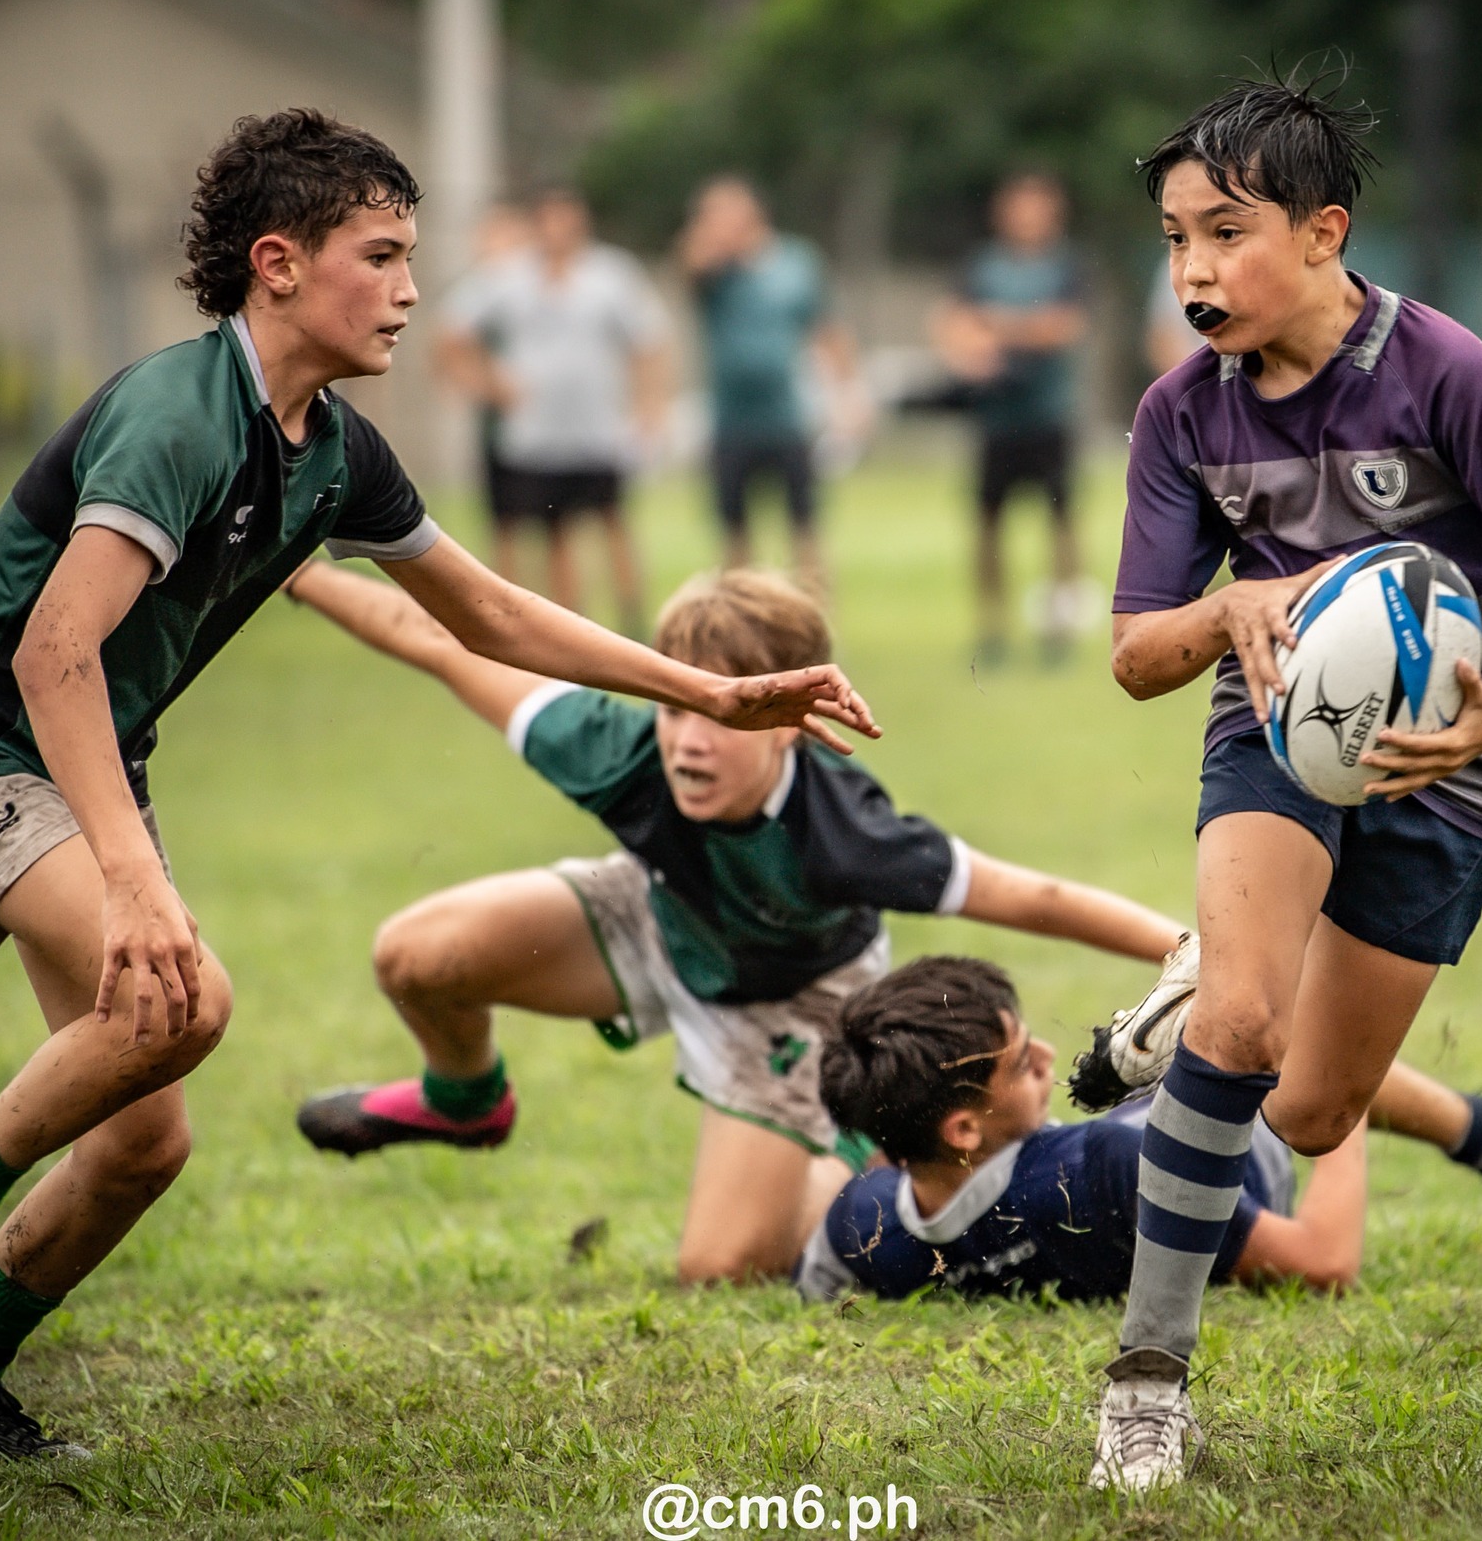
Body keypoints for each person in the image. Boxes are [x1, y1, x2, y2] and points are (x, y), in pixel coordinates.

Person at [0, 109, 877, 1463]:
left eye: (411, 257)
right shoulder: (174, 416)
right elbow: (52, 652)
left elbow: (493, 612)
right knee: (186, 997)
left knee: (142, 1142)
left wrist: (712, 690)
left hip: (89, 751)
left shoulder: (335, 445)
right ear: (277, 262)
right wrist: (136, 874)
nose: (409, 289)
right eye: (381, 256)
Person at [1090, 74, 1482, 1491]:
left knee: (1313, 1111)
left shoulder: (1447, 372)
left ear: (1324, 231)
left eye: (1228, 232)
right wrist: (1236, 610)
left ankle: (1206, 995)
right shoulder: (1180, 416)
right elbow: (1141, 652)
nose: (1196, 269)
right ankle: (1147, 1378)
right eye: (1173, 239)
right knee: (1249, 1021)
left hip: (1444, 763)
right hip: (1268, 731)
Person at [284, 561, 1187, 1283]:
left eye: (730, 710)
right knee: (416, 955)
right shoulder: (619, 748)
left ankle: (854, 1152)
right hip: (658, 912)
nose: (690, 738)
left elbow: (1036, 898)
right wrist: (291, 568)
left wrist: (1189, 953)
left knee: (718, 1267)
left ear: (796, 717)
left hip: (794, 1000)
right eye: (677, 702)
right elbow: (436, 638)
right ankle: (466, 1102)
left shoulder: (842, 832)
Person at [799, 955, 1482, 1305]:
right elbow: (1324, 1261)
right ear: (964, 1126)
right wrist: (1345, 1101)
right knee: (1283, 1035)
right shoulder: (1112, 1164)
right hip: (1226, 1154)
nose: (1042, 1053)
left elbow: (819, 1286)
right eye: (1021, 1062)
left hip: (1106, 1147)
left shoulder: (859, 1225)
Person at [441, 187, 668, 634]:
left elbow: (649, 341)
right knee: (554, 531)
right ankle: (569, 625)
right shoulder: (508, 277)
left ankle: (634, 619)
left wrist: (648, 406)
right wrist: (486, 385)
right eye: (549, 220)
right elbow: (451, 332)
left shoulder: (611, 275)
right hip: (535, 436)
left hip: (598, 431)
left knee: (613, 522)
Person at [930, 174, 1088, 664]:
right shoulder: (982, 266)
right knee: (987, 526)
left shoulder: (1067, 265)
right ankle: (993, 630)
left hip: (1049, 416)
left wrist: (997, 326)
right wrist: (969, 347)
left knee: (1060, 523)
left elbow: (1065, 327)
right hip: (995, 419)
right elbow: (953, 324)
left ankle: (1058, 628)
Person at [678, 178, 861, 590]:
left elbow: (826, 328)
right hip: (730, 420)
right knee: (734, 533)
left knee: (805, 526)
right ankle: (742, 632)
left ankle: (817, 624)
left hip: (787, 417)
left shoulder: (795, 262)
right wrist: (717, 243)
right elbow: (689, 265)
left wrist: (849, 396)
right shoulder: (713, 270)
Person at [438, 202, 531, 581]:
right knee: (505, 521)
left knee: (558, 525)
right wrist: (484, 387)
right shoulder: (480, 291)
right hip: (503, 426)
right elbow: (448, 341)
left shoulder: (531, 285)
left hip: (551, 427)